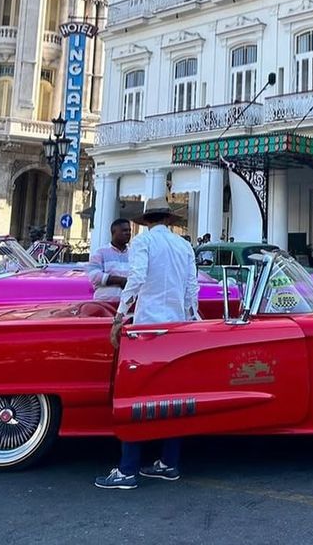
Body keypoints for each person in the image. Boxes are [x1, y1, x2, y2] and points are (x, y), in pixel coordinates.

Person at [95, 202, 200, 490]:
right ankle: (169, 462)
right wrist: (192, 319)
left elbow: (137, 278)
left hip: (147, 327)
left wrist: (119, 316)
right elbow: (192, 288)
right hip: (177, 326)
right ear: (168, 218)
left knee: (137, 398)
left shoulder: (143, 242)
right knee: (174, 399)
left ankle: (128, 470)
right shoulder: (183, 245)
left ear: (147, 221)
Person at [87, 218, 131, 301]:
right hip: (104, 305)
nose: (128, 233)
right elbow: (94, 276)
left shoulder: (134, 254)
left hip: (128, 305)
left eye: (129, 230)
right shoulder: (100, 252)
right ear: (113, 232)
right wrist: (120, 281)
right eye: (124, 230)